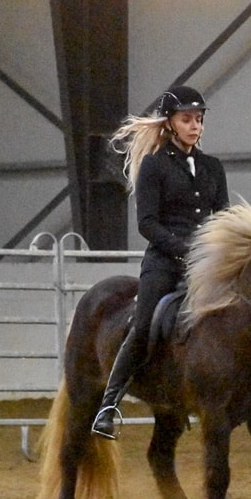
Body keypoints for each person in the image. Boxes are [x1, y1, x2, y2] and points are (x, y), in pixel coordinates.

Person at [91, 85, 230, 439]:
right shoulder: (154, 166)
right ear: (170, 123)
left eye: (198, 119)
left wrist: (221, 252)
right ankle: (109, 404)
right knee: (143, 325)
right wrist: (184, 250)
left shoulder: (213, 167)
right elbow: (147, 223)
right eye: (187, 120)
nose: (195, 126)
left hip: (206, 264)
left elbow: (223, 217)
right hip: (165, 262)